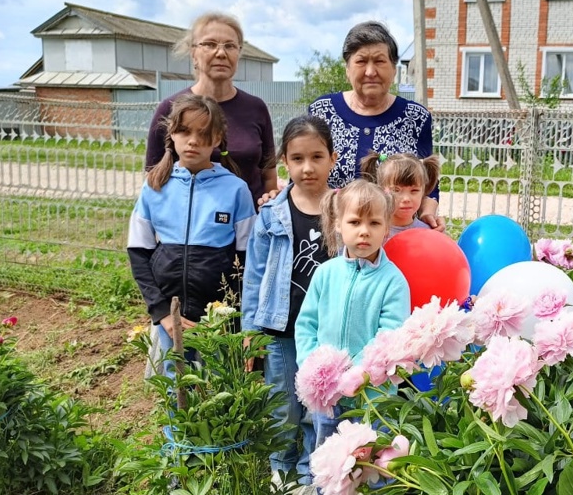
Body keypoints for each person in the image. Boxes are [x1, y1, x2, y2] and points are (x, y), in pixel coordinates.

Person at [128, 95, 256, 375]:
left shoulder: (236, 190)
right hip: (172, 319)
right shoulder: (154, 187)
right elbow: (138, 252)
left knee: (221, 387)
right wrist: (161, 312)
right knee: (177, 388)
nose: (193, 140)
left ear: (218, 139)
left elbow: (249, 263)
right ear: (171, 134)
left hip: (221, 319)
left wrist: (243, 322)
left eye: (204, 133)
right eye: (184, 131)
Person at [241, 115, 336, 487]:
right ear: (284, 160)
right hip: (281, 329)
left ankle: (310, 473)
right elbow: (254, 277)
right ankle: (281, 469)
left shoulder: (344, 209)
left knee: (319, 406)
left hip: (327, 330)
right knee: (283, 406)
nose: (307, 167)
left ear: (332, 157)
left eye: (316, 157)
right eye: (297, 159)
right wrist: (251, 330)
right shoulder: (271, 213)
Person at [294, 180, 411, 447]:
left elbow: (389, 337)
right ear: (338, 224)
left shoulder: (393, 281)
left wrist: (356, 373)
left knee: (369, 460)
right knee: (328, 457)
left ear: (386, 230)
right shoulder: (326, 273)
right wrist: (312, 366)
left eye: (374, 223)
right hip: (329, 396)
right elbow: (307, 325)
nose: (364, 232)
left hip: (372, 396)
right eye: (355, 222)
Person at [307, 20, 445, 231]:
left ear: (393, 68)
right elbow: (302, 178)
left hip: (394, 243)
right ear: (347, 68)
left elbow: (427, 184)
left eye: (379, 61)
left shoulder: (415, 117)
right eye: (361, 61)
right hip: (327, 237)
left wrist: (428, 214)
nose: (370, 71)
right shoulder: (321, 112)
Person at [145, 11, 278, 205]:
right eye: (210, 44)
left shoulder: (256, 108)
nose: (221, 53)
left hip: (248, 227)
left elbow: (269, 176)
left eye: (230, 46)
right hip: (189, 228)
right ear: (193, 53)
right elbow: (153, 177)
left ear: (238, 53)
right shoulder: (171, 108)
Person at [359, 151, 441, 240]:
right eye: (396, 190)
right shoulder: (370, 233)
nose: (406, 199)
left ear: (423, 191)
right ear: (381, 190)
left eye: (414, 190)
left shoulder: (430, 234)